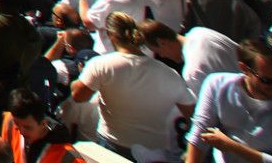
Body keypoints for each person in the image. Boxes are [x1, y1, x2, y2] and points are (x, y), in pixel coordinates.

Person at [69, 14, 194, 160]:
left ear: (111, 35)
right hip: (154, 153)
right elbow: (191, 114)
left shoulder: (102, 65)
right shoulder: (169, 74)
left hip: (112, 147)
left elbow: (78, 96)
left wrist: (76, 82)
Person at [185, 41, 272, 163]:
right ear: (244, 69)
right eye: (267, 81)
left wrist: (235, 148)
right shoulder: (217, 85)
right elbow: (199, 134)